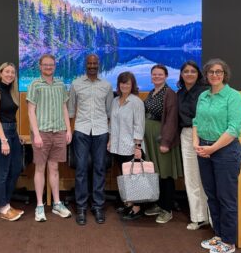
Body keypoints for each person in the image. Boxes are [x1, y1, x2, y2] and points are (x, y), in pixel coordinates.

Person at [194, 58, 241, 253]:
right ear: (206, 75)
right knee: (212, 196)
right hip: (204, 150)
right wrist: (196, 144)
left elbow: (234, 128)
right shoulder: (203, 96)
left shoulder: (233, 96)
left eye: (219, 72)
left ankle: (229, 242)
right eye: (211, 72)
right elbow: (196, 120)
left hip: (225, 152)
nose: (215, 75)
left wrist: (212, 148)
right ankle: (219, 235)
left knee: (226, 198)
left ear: (225, 74)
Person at [68, 54, 113, 225]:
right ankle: (81, 207)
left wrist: (110, 134)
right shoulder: (76, 84)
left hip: (101, 131)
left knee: (100, 168)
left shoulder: (107, 85)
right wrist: (70, 131)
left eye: (95, 63)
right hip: (81, 130)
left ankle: (98, 206)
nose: (92, 66)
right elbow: (71, 110)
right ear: (85, 64)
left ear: (99, 64)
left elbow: (110, 112)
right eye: (89, 63)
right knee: (81, 169)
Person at [27, 53, 72, 222]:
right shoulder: (34, 84)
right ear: (40, 66)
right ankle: (39, 206)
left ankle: (56, 204)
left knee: (54, 168)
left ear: (55, 66)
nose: (48, 67)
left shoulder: (60, 84)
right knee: (40, 168)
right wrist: (36, 134)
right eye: (45, 65)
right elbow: (31, 111)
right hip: (42, 133)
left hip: (59, 131)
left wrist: (68, 130)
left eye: (51, 65)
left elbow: (64, 108)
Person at [142, 64, 183, 223]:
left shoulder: (169, 93)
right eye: (154, 75)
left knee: (165, 174)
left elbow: (172, 120)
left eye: (160, 74)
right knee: (156, 173)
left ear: (166, 76)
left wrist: (166, 142)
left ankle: (167, 209)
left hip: (162, 138)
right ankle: (159, 204)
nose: (156, 77)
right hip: (150, 138)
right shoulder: (152, 92)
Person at [0, 62, 24, 222]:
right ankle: (3, 208)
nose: (10, 74)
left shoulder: (12, 91)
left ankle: (6, 203)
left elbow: (10, 116)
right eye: (7, 71)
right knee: (3, 172)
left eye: (12, 72)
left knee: (16, 169)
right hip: (0, 132)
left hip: (12, 132)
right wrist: (3, 140)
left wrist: (16, 135)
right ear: (0, 73)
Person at [107, 72, 145, 220]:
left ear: (132, 85)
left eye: (127, 83)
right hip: (117, 146)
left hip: (131, 146)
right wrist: (110, 139)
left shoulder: (136, 102)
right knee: (123, 176)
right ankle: (128, 203)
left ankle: (137, 208)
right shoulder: (115, 101)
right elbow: (112, 123)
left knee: (133, 177)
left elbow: (139, 125)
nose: (124, 86)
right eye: (122, 83)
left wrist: (137, 147)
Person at [176, 61, 210, 230]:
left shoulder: (205, 92)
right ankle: (197, 217)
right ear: (181, 75)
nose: (189, 74)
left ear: (198, 74)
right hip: (186, 135)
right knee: (191, 177)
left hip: (205, 136)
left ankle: (211, 216)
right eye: (186, 71)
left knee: (207, 177)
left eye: (192, 71)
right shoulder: (180, 93)